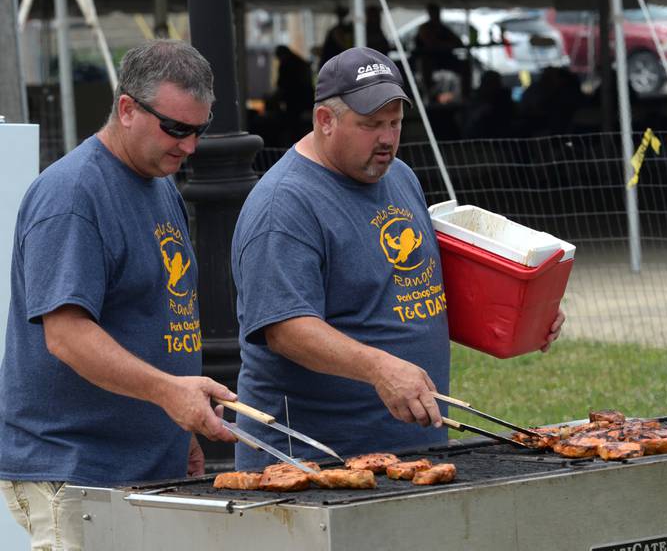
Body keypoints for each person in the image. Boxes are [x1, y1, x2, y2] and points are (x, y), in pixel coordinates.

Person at [231, 46, 565, 470]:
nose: (388, 138)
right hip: (316, 465)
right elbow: (284, 327)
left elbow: (419, 289)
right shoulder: (285, 204)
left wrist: (525, 315)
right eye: (371, 125)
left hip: (413, 455)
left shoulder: (399, 176)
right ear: (325, 121)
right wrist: (379, 369)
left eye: (395, 123)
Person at [0, 39, 237, 549]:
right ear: (127, 108)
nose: (189, 146)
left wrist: (178, 431)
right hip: (76, 472)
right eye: (175, 128)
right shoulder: (72, 194)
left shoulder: (157, 181)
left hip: (140, 468)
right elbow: (66, 336)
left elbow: (157, 313)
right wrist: (170, 394)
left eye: (198, 130)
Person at [413, 3, 469, 100]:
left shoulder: (442, 28)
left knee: (465, 65)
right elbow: (430, 43)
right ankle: (428, 94)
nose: (435, 15)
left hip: (445, 58)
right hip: (429, 59)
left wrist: (445, 44)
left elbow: (458, 42)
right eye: (433, 12)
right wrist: (443, 44)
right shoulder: (425, 28)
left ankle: (465, 95)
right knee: (424, 64)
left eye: (436, 12)